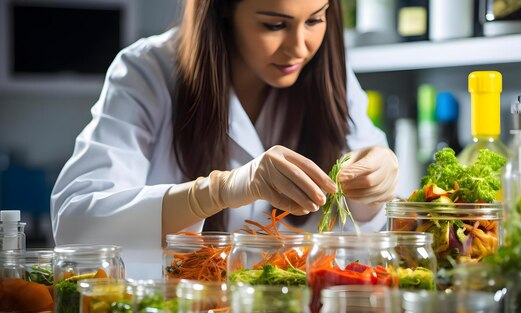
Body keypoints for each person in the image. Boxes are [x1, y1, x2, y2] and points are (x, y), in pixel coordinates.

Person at [51, 0, 398, 279]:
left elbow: (372, 229)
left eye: (315, 20)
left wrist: (373, 180)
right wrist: (217, 191)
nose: (299, 47)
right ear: (223, 9)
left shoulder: (326, 73)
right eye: (274, 24)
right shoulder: (147, 71)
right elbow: (77, 226)